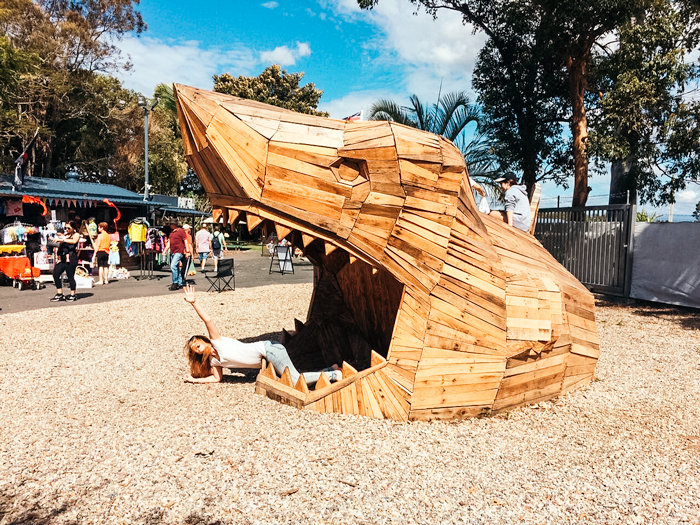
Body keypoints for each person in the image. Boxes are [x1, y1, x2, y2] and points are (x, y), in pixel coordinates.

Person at [181, 285, 342, 385]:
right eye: (195, 349)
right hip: (267, 354)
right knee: (294, 376)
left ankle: (335, 374)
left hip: (269, 349)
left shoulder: (217, 342)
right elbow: (216, 379)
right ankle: (331, 369)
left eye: (197, 344)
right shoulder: (215, 361)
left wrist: (194, 302)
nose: (197, 348)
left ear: (205, 340)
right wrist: (195, 380)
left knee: (294, 380)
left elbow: (208, 320)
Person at [51, 220, 80, 302]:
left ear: (73, 228)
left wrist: (62, 240)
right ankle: (59, 293)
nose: (66, 229)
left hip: (72, 257)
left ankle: (73, 294)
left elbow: (74, 241)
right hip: (63, 257)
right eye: (65, 228)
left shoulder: (76, 234)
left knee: (70, 276)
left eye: (68, 228)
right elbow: (60, 240)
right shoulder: (66, 235)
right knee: (56, 273)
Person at [165, 219, 190, 291]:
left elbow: (185, 240)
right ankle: (180, 282)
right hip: (172, 251)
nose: (170, 225)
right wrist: (165, 250)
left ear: (174, 224)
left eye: (171, 224)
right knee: (176, 267)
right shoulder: (171, 233)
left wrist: (187, 250)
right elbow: (169, 242)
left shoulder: (181, 231)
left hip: (179, 251)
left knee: (173, 265)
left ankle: (175, 282)